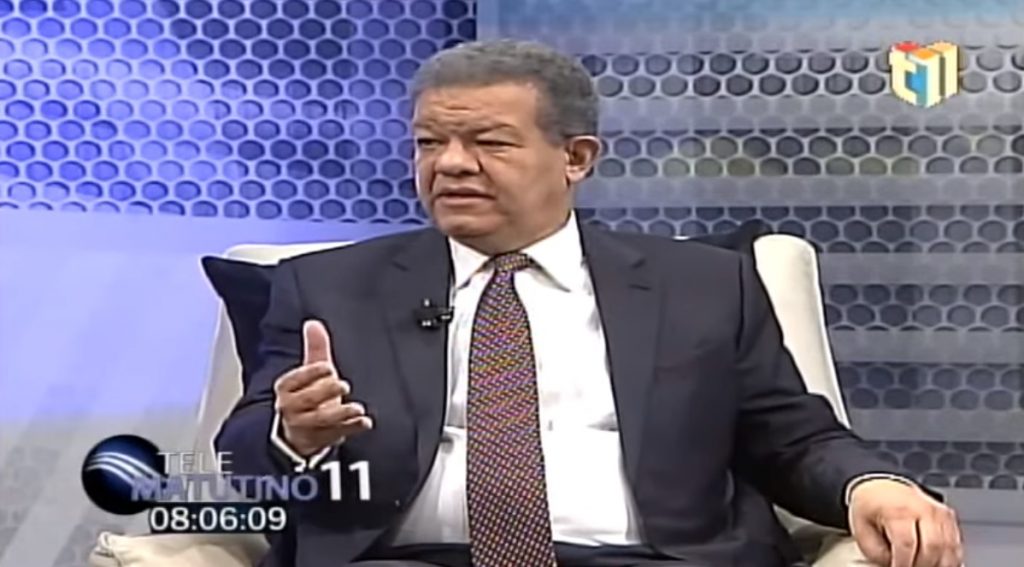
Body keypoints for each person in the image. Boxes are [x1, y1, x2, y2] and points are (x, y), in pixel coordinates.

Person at [216, 40, 963, 567]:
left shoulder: (705, 285)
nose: (451, 164)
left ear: (576, 158)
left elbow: (792, 438)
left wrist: (874, 484)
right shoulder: (326, 287)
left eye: (488, 143)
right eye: (428, 143)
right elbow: (240, 457)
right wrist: (292, 434)